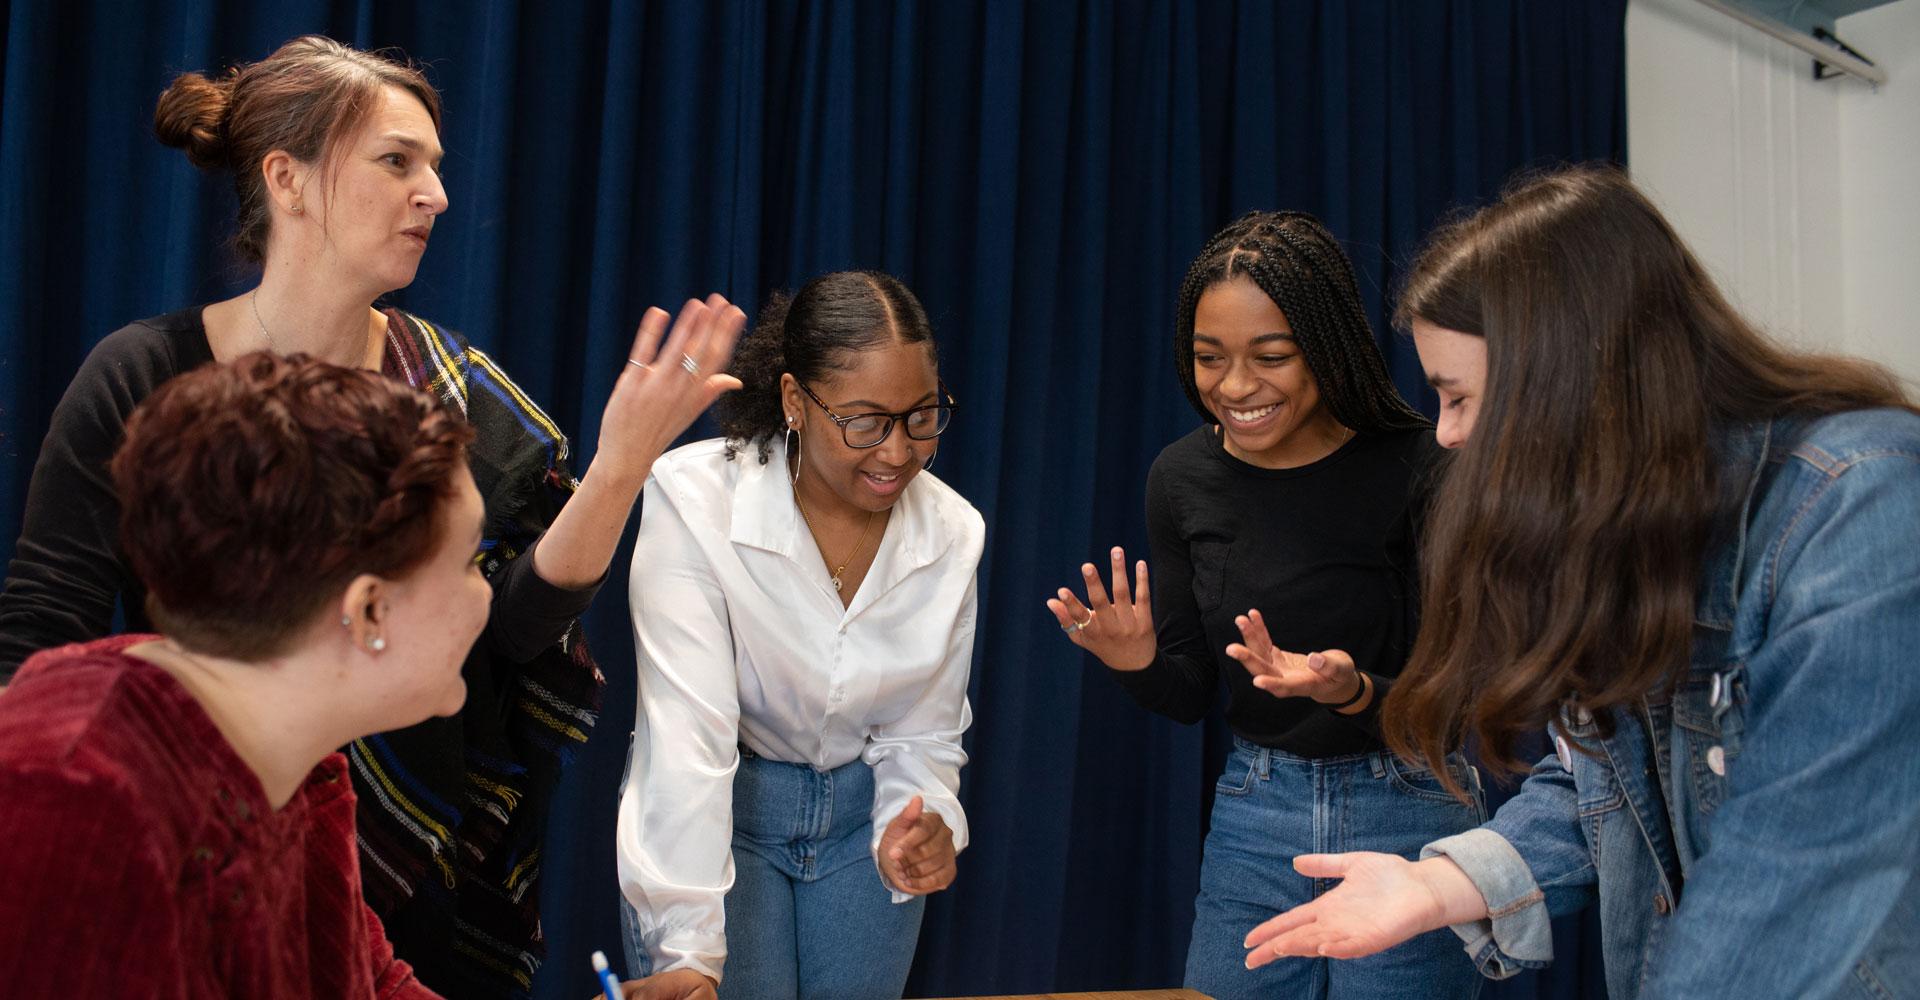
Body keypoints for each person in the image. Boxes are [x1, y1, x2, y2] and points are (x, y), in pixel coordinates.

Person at [0, 36, 745, 997]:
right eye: (399, 162)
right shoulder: (89, 805)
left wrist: (617, 472)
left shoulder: (313, 790)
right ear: (288, 179)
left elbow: (510, 627)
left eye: (436, 166)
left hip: (406, 861)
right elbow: (37, 643)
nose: (435, 193)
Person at [1241, 166, 1920, 999]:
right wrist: (1437, 886)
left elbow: (1793, 876)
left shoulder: (1860, 506)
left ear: (1567, 381)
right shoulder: (1635, 532)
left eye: (1459, 399)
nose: (1447, 436)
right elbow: (1604, 776)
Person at [0, 353, 713, 999]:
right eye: (468, 564)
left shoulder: (299, 765)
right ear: (368, 609)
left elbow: (375, 985)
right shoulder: (71, 799)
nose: (483, 597)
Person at [1046, 211, 1483, 999]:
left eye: (1270, 357)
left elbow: (1453, 704)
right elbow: (1186, 694)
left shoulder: (1423, 464)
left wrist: (1349, 690)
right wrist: (1135, 662)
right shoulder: (1180, 479)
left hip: (1409, 806)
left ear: (1328, 349)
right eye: (1209, 358)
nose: (1235, 386)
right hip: (1257, 815)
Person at [616, 271, 982, 1000]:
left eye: (920, 417)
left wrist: (926, 825)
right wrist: (686, 946)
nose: (898, 452)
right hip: (725, 817)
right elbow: (688, 739)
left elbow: (922, 735)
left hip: (862, 825)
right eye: (866, 421)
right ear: (795, 402)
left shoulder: (951, 532)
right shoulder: (693, 501)